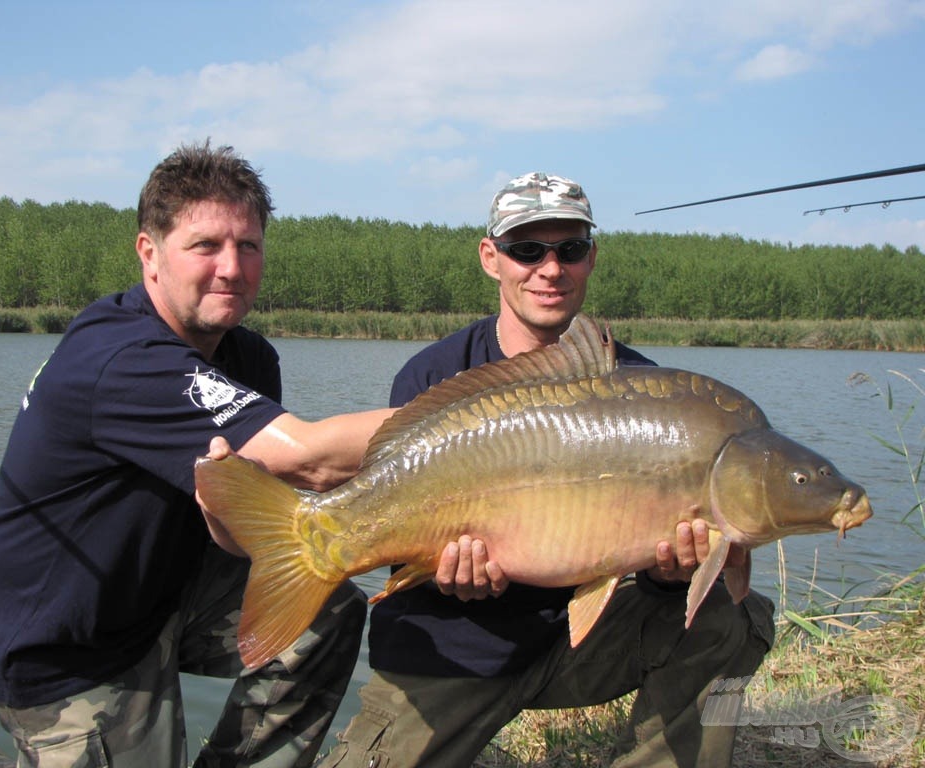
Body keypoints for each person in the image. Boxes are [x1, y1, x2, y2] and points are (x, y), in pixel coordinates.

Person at [0, 141, 395, 768]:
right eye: (206, 245)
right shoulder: (122, 357)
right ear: (149, 253)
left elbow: (254, 513)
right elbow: (310, 460)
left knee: (322, 603)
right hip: (62, 637)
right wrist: (486, 418)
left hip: (157, 593)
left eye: (248, 245)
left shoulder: (249, 358)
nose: (232, 267)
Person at [321, 172, 776, 768]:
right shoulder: (434, 377)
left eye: (570, 249)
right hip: (454, 650)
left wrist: (674, 574)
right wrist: (438, 572)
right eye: (527, 249)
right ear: (492, 257)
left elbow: (644, 556)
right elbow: (401, 526)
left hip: (577, 646)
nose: (550, 268)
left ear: (592, 257)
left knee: (731, 616)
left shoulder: (643, 389)